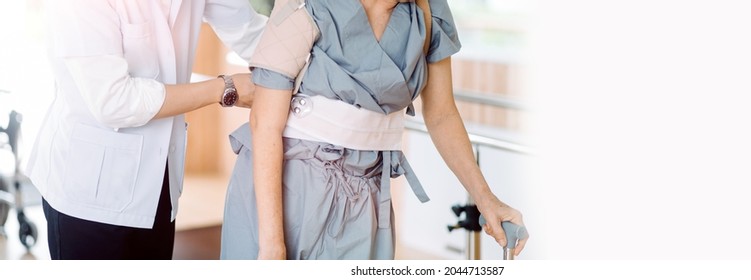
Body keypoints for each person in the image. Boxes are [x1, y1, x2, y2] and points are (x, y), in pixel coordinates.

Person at [220, 0, 528, 260]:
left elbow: (442, 114)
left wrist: (486, 199)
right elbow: (264, 125)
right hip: (285, 187)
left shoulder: (429, 13)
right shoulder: (307, 5)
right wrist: (272, 245)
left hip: (366, 194)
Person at [24, 0, 267, 259]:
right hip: (89, 193)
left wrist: (307, 48)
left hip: (158, 182)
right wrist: (223, 88)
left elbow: (249, 31)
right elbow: (114, 101)